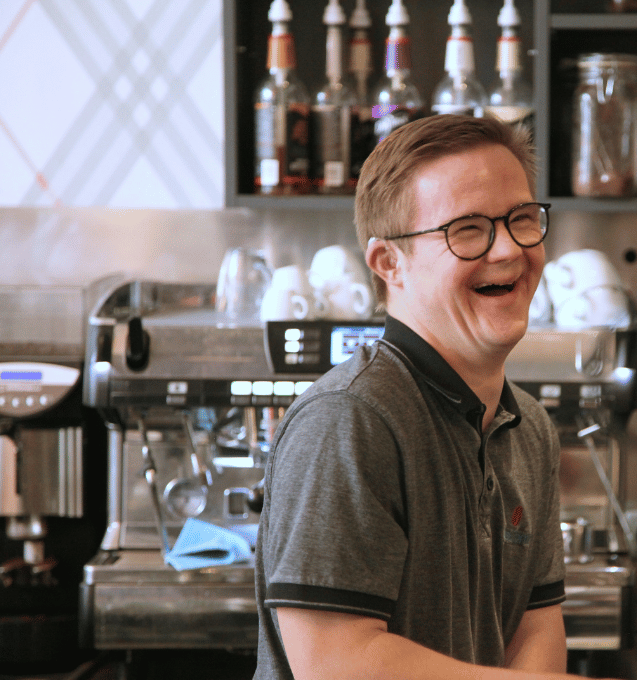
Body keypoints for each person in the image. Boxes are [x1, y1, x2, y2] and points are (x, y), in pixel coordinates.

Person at [254, 114, 612, 680]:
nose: (509, 250)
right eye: (468, 229)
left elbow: (536, 628)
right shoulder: (349, 419)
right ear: (388, 263)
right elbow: (334, 664)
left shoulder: (530, 427)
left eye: (522, 219)